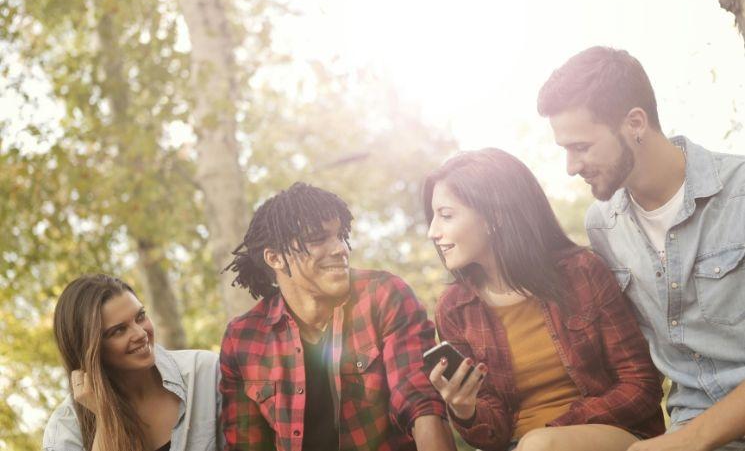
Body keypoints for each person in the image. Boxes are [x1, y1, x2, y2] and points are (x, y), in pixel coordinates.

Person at [537, 45, 745, 451]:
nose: (571, 166)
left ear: (635, 123)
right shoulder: (603, 226)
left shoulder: (739, 193)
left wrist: (689, 441)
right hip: (688, 429)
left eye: (581, 146)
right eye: (565, 150)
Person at [423, 148, 664, 451]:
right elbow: (491, 438)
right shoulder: (454, 309)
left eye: (445, 215)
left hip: (612, 435)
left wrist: (552, 431)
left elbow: (641, 385)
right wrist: (465, 410)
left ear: (495, 215)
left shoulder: (581, 273)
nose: (432, 231)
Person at [220, 182, 455, 451]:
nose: (341, 249)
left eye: (341, 236)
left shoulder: (384, 296)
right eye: (318, 239)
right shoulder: (242, 339)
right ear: (275, 258)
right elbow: (245, 444)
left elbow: (421, 401)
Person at [42, 274, 221, 451]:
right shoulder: (65, 430)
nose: (141, 334)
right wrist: (105, 419)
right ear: (91, 350)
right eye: (119, 330)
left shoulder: (206, 373)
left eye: (140, 316)